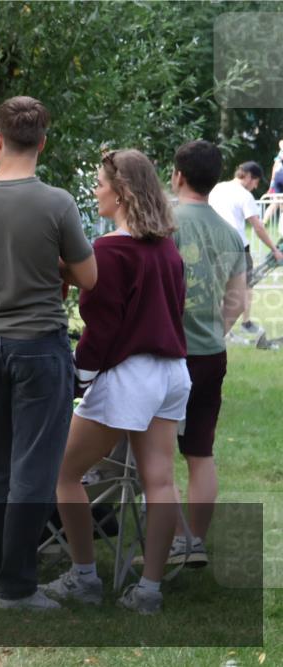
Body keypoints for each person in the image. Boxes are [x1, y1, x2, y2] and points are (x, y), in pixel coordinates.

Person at [0, 96, 96, 611]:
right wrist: (59, 267)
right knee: (35, 465)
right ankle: (18, 588)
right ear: (42, 142)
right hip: (41, 347)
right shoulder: (57, 203)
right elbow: (89, 277)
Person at [43, 149, 189, 615]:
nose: (95, 189)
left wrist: (80, 378)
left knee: (63, 472)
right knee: (160, 480)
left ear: (121, 191)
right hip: (172, 371)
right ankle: (149, 590)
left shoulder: (109, 250)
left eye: (101, 182)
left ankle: (83, 576)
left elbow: (102, 327)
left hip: (129, 374)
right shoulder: (167, 246)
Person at [168, 140, 247, 567]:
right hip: (211, 353)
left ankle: (176, 536)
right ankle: (194, 540)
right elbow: (236, 302)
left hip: (166, 353)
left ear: (178, 175)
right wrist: (215, 329)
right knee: (200, 451)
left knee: (157, 453)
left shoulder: (163, 223)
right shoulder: (231, 233)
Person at [209, 161, 283, 337]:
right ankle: (232, 328)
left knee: (218, 290)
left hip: (213, 246)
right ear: (249, 176)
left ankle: (219, 328)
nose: (256, 186)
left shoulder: (217, 188)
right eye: (256, 181)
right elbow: (257, 227)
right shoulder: (244, 196)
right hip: (237, 248)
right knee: (240, 292)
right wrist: (274, 249)